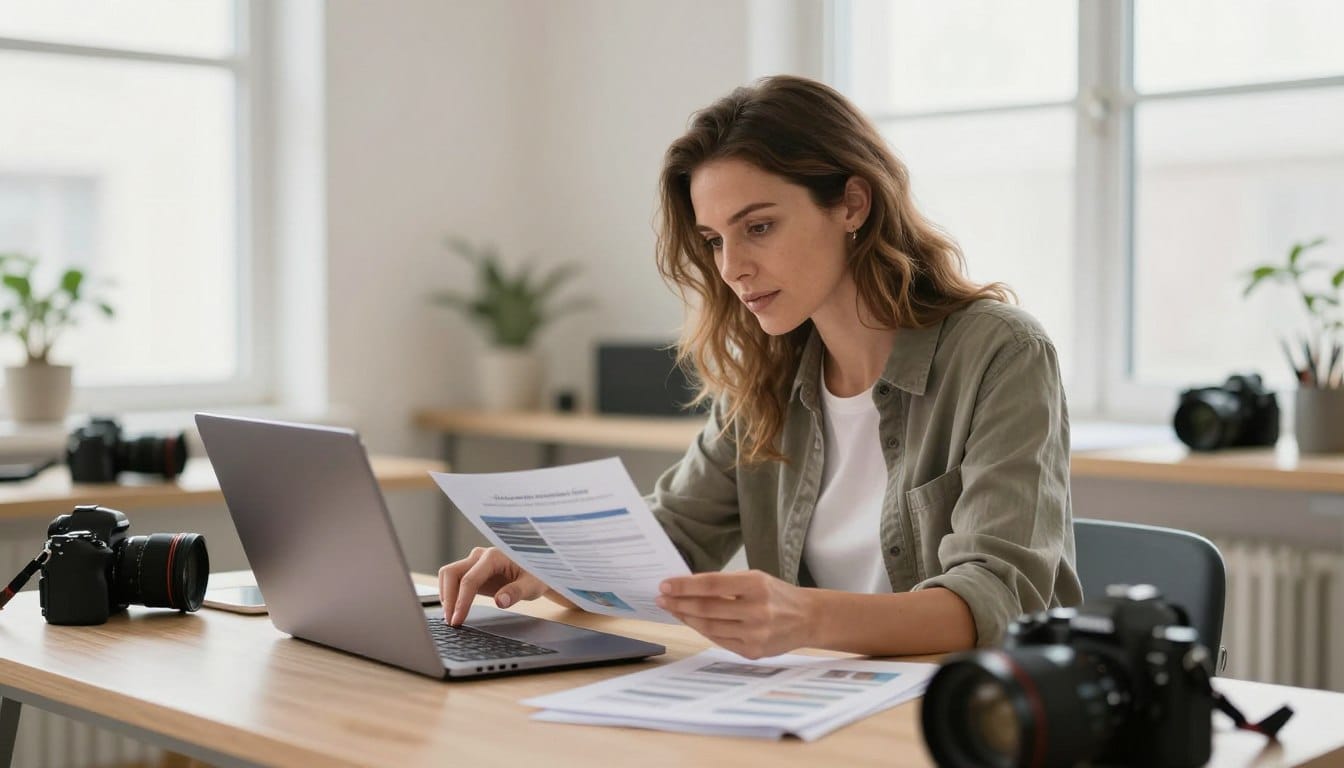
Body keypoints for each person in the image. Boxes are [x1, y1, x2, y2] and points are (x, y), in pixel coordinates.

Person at [439, 75, 1081, 659]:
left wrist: (804, 617)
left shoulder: (1001, 353)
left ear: (852, 204)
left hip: (972, 715)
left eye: (760, 227)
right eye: (715, 239)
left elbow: (999, 596)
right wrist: (548, 565)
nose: (730, 267)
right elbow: (674, 535)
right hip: (823, 709)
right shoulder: (767, 376)